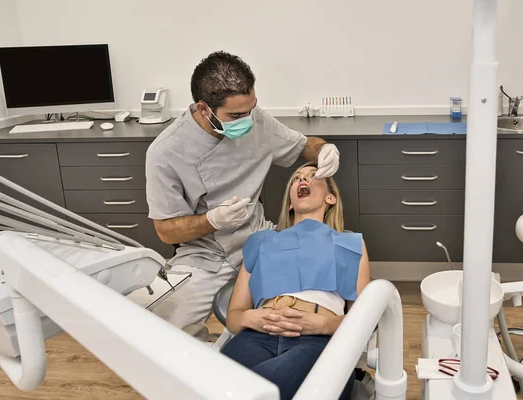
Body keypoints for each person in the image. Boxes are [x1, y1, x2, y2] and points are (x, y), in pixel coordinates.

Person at [145, 51, 341, 329]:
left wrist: (324, 149)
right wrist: (211, 221)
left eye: (251, 109)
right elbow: (165, 230)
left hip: (261, 240)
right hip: (205, 256)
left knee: (299, 313)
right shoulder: (165, 152)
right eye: (236, 115)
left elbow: (302, 146)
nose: (248, 119)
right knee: (163, 329)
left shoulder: (255, 120)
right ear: (204, 109)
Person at [221, 162, 371, 400]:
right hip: (256, 336)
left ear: (330, 198)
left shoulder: (350, 244)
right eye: (296, 178)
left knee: (250, 389)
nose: (303, 180)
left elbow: (363, 320)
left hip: (318, 340)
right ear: (291, 202)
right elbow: (234, 317)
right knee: (221, 382)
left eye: (313, 176)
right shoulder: (260, 242)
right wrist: (251, 317)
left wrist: (322, 325)